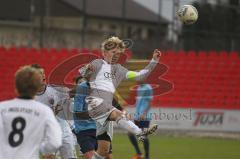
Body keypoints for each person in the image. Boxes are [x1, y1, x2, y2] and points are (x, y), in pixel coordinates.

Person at [79, 36, 161, 159]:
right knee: (118, 114)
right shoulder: (98, 63)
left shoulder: (119, 69)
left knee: (104, 150)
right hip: (94, 102)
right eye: (113, 52)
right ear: (105, 53)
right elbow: (82, 74)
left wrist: (154, 61)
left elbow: (140, 76)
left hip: (105, 107)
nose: (116, 55)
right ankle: (140, 133)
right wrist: (87, 69)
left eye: (118, 53)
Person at [0, 65, 62, 159]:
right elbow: (55, 142)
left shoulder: (2, 108)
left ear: (16, 87)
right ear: (36, 87)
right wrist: (38, 148)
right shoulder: (45, 111)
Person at [32, 64, 76, 159]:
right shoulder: (31, 98)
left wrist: (86, 85)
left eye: (43, 73)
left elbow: (71, 93)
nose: (43, 76)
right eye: (40, 74)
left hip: (64, 131)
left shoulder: (54, 89)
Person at [73, 76, 122, 159]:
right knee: (91, 157)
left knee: (108, 157)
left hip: (100, 129)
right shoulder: (81, 89)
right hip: (85, 130)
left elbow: (117, 106)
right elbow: (78, 114)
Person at [128, 81, 153, 159]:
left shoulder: (148, 87)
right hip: (137, 116)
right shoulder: (139, 87)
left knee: (144, 135)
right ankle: (139, 153)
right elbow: (138, 102)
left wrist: (144, 114)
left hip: (145, 116)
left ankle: (146, 156)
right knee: (130, 133)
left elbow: (150, 103)